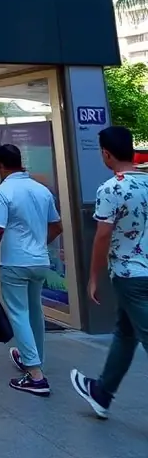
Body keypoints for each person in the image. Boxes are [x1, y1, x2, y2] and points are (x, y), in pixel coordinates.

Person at [71, 125, 148, 418]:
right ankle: (102, 392)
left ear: (106, 153)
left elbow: (103, 236)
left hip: (131, 276)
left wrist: (93, 277)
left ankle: (102, 391)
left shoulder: (111, 188)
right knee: (125, 332)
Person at [0, 143, 62, 396]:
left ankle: (35, 374)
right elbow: (57, 226)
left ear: (0, 165)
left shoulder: (3, 191)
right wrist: (39, 244)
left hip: (15, 263)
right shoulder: (42, 191)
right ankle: (35, 359)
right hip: (39, 260)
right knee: (35, 312)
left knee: (18, 313)